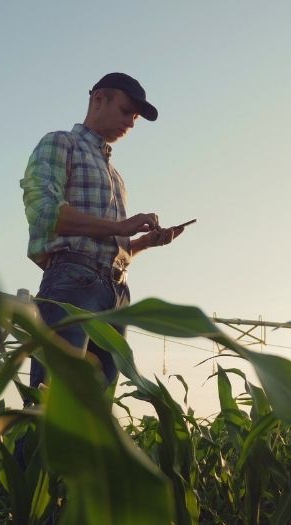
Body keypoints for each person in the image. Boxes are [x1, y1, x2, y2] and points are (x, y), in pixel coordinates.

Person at [20, 72, 184, 390]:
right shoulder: (60, 143)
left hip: (115, 293)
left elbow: (109, 248)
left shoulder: (115, 175)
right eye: (126, 112)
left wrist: (143, 243)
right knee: (52, 403)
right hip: (72, 284)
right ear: (99, 99)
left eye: (135, 117)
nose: (132, 124)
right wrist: (119, 226)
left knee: (95, 418)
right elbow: (43, 211)